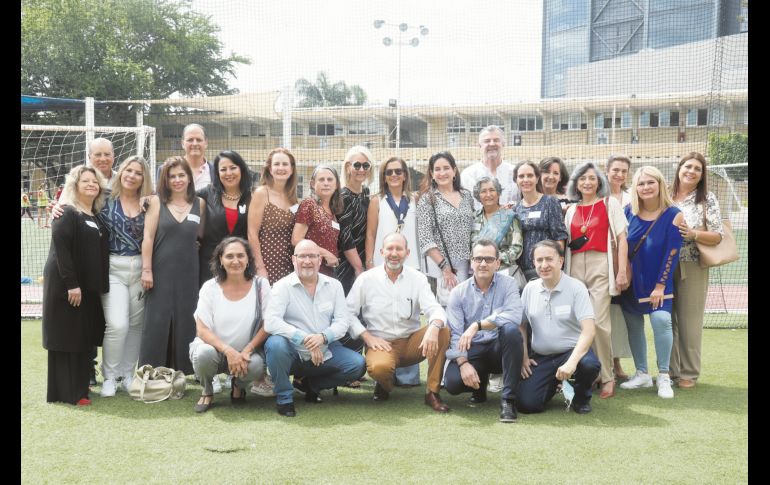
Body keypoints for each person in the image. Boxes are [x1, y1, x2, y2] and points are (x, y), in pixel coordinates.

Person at [346, 233, 452, 413]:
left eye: (399, 249)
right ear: (382, 252)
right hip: (381, 344)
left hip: (412, 343)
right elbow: (347, 313)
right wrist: (367, 336)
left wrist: (434, 326)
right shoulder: (366, 279)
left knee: (442, 330)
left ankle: (432, 392)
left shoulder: (417, 278)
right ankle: (384, 384)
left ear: (407, 253)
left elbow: (434, 308)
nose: (394, 253)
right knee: (380, 368)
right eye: (390, 248)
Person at [263, 240, 366, 417]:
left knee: (357, 365)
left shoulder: (334, 285)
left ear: (320, 260)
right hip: (292, 350)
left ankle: (311, 385)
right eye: (302, 256)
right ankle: (284, 398)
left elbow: (343, 321)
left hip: (325, 348)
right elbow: (271, 322)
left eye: (312, 256)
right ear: (293, 260)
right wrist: (304, 338)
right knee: (275, 345)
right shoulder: (282, 286)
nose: (307, 261)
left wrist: (323, 337)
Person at [42, 165, 109, 405]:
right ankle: (67, 394)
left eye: (94, 181)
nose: (91, 184)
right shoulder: (67, 212)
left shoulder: (96, 215)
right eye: (85, 181)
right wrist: (72, 284)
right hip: (67, 285)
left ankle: (80, 390)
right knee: (66, 336)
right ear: (75, 186)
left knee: (82, 337)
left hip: (87, 287)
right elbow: (61, 247)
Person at [563, 162, 629, 399]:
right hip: (575, 267)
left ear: (599, 181)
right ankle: (589, 374)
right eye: (582, 179)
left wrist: (621, 270)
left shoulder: (609, 204)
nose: (587, 182)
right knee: (580, 323)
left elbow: (622, 239)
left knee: (600, 322)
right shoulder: (571, 210)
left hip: (601, 265)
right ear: (576, 183)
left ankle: (608, 376)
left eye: (592, 178)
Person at [618, 166, 684, 399]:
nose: (645, 187)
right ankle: (642, 374)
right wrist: (622, 273)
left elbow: (672, 253)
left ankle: (664, 375)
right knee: (634, 325)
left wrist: (660, 286)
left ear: (660, 185)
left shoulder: (673, 214)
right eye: (641, 183)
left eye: (650, 182)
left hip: (659, 283)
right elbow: (621, 247)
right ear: (635, 188)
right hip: (632, 282)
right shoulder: (628, 212)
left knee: (661, 320)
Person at [444, 240, 524, 422]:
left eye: (488, 259)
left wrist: (478, 325)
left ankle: (508, 400)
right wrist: (463, 363)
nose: (482, 264)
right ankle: (478, 388)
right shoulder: (458, 292)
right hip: (473, 350)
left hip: (498, 348)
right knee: (453, 383)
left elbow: (514, 316)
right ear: (471, 262)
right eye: (478, 258)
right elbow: (456, 333)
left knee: (511, 331)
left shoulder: (509, 284)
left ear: (498, 263)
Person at [517, 240, 601, 414]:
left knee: (590, 365)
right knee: (527, 405)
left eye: (549, 259)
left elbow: (589, 330)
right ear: (533, 262)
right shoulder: (529, 289)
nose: (544, 265)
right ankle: (554, 384)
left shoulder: (576, 288)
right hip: (541, 357)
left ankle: (581, 397)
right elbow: (521, 326)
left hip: (571, 352)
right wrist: (524, 356)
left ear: (561, 261)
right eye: (539, 260)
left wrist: (571, 363)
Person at [139, 157, 206, 375]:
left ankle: (186, 370)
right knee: (157, 320)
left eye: (181, 175)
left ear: (189, 177)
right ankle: (152, 370)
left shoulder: (200, 204)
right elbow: (148, 238)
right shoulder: (156, 202)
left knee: (187, 318)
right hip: (160, 270)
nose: (177, 180)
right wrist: (146, 270)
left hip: (189, 271)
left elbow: (199, 236)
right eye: (171, 176)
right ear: (165, 180)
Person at [189, 237, 271, 413]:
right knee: (203, 353)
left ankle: (238, 386)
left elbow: (268, 324)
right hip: (215, 352)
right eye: (229, 256)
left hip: (246, 353)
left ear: (249, 258)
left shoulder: (261, 285)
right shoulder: (210, 287)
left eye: (241, 255)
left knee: (256, 365)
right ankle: (207, 389)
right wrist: (228, 351)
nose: (236, 261)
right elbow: (201, 330)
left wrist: (247, 350)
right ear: (221, 259)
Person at [97, 156, 154, 396]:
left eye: (138, 173)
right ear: (121, 172)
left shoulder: (150, 203)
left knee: (135, 326)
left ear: (144, 178)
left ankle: (127, 374)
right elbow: (76, 202)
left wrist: (147, 269)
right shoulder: (105, 199)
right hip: (113, 268)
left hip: (140, 268)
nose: (132, 176)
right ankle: (109, 376)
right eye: (128, 170)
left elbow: (153, 236)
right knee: (117, 324)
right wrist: (59, 206)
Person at [363, 156, 421, 387]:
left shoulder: (415, 199)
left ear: (405, 174)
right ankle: (384, 368)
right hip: (382, 264)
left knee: (410, 316)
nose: (394, 175)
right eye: (389, 172)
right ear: (383, 177)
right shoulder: (377, 200)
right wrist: (369, 261)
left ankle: (408, 376)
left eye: (398, 171)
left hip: (411, 264)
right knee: (381, 316)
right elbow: (370, 233)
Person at [669, 152, 724, 389]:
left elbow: (717, 235)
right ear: (679, 168)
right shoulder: (666, 196)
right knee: (666, 321)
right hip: (663, 265)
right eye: (687, 166)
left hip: (692, 265)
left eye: (697, 169)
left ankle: (688, 372)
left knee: (689, 321)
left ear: (702, 175)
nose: (691, 171)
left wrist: (694, 234)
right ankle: (670, 371)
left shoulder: (707, 199)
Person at [417, 151, 475, 305]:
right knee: (447, 310)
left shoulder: (467, 196)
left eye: (446, 168)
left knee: (466, 308)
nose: (442, 173)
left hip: (467, 265)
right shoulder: (427, 199)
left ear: (454, 170)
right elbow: (425, 238)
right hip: (441, 267)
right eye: (437, 169)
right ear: (432, 173)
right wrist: (445, 268)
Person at [197, 150, 253, 287]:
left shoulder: (252, 196)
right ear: (217, 173)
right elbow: (179, 198)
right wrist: (150, 198)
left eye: (233, 168)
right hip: (209, 265)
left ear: (241, 169)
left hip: (240, 265)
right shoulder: (207, 193)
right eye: (223, 169)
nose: (229, 173)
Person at [248, 148, 298, 285]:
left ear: (292, 169)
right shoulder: (261, 193)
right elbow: (252, 234)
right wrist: (260, 267)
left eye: (285, 164)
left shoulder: (293, 198)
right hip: (267, 264)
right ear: (270, 169)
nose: (280, 168)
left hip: (289, 265)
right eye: (277, 164)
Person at [512, 160, 568, 281]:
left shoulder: (550, 203)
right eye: (521, 176)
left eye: (530, 175)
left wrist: (556, 265)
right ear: (516, 180)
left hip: (547, 269)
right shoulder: (515, 209)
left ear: (537, 178)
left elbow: (559, 237)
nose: (525, 179)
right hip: (523, 272)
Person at [605, 154, 633, 380]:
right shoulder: (599, 195)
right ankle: (607, 363)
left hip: (630, 260)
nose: (619, 175)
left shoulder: (632, 197)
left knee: (622, 314)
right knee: (607, 313)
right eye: (616, 169)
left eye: (624, 171)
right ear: (607, 170)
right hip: (606, 262)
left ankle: (618, 362)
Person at [291, 165, 342, 277]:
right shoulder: (309, 204)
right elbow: (296, 239)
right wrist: (326, 254)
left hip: (329, 272)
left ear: (336, 184)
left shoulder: (332, 211)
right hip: (310, 270)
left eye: (330, 179)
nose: (326, 183)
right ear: (313, 184)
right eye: (321, 179)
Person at [336, 146, 374, 294]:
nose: (361, 169)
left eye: (366, 165)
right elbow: (345, 237)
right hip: (347, 264)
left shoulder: (365, 193)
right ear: (347, 167)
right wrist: (359, 268)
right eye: (357, 165)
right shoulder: (343, 196)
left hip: (364, 258)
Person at [470, 176, 524, 279]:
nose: (488, 195)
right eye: (483, 191)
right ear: (478, 195)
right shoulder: (474, 218)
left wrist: (493, 259)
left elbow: (517, 248)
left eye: (492, 190)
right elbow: (470, 247)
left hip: (504, 271)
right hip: (480, 273)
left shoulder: (509, 216)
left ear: (498, 193)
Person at [460, 125, 519, 210]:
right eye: (487, 141)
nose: (492, 143)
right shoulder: (467, 175)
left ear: (503, 144)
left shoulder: (515, 172)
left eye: (496, 140)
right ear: (479, 145)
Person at [181, 123, 213, 191]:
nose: (195, 144)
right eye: (190, 140)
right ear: (182, 143)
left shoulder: (217, 171)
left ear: (206, 143)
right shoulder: (166, 170)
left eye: (199, 140)